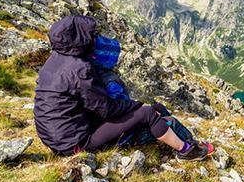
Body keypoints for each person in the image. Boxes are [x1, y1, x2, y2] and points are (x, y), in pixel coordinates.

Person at [34, 15, 213, 161]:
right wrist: (137, 106)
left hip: (56, 138)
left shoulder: (54, 61)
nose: (94, 38)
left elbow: (85, 102)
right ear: (79, 39)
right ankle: (187, 151)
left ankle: (185, 140)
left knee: (156, 108)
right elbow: (107, 110)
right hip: (75, 143)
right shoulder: (79, 69)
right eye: (90, 35)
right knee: (149, 113)